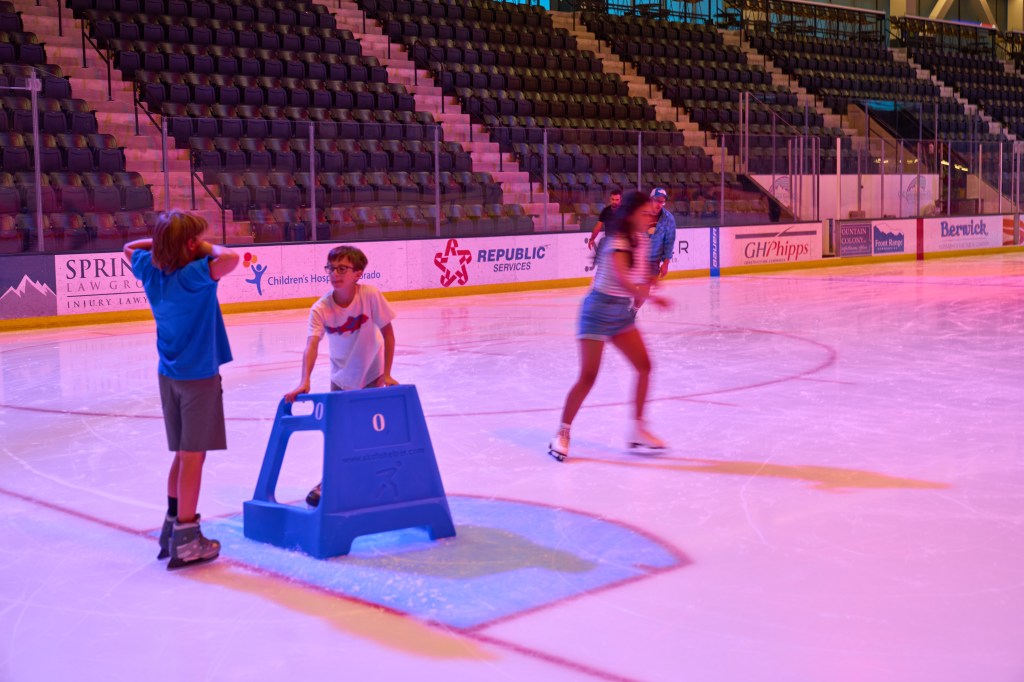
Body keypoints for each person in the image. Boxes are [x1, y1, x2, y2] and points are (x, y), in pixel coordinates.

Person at [124, 210, 239, 570]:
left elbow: (128, 248)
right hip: (198, 377)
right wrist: (199, 247)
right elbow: (230, 258)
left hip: (169, 375)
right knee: (193, 456)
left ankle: (172, 524)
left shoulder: (149, 270)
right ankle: (187, 537)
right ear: (190, 245)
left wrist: (164, 244)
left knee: (181, 454)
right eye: (196, 240)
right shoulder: (193, 275)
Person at [549, 191, 671, 462]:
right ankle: (562, 433)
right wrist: (652, 296)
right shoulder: (616, 241)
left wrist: (652, 281)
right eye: (644, 213)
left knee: (644, 366)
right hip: (597, 311)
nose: (650, 217)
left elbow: (640, 276)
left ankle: (638, 429)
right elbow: (623, 280)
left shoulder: (641, 240)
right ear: (630, 215)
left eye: (650, 213)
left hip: (620, 314)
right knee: (588, 376)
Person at [284, 245, 398, 506]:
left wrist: (388, 373)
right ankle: (329, 480)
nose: (334, 274)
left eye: (342, 269)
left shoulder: (370, 295)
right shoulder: (321, 308)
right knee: (337, 433)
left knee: (369, 431)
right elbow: (311, 345)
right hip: (341, 378)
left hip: (372, 373)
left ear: (358, 273)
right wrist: (305, 380)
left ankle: (372, 478)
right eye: (331, 268)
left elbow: (388, 334)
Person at [647, 187, 677, 279]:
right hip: (636, 259)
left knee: (646, 287)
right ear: (651, 200)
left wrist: (665, 264)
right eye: (657, 200)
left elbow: (669, 243)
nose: (659, 204)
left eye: (662, 202)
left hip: (653, 261)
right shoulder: (640, 214)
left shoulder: (668, 219)